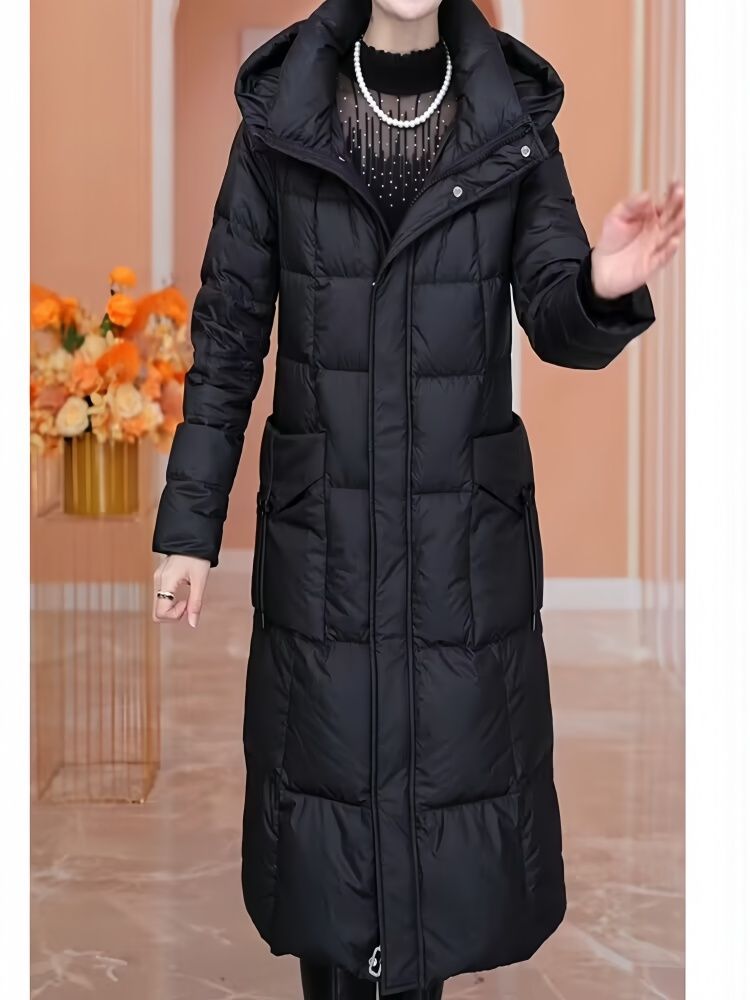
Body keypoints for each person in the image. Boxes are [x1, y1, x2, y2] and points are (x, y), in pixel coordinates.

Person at [152, 0, 685, 997]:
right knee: (331, 840)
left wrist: (602, 283)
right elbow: (228, 337)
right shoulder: (279, 116)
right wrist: (189, 528)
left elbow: (556, 313)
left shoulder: (511, 117)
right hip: (327, 542)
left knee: (439, 838)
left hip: (457, 550)